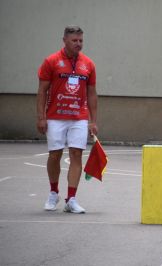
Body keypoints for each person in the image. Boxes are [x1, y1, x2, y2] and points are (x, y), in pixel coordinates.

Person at [36, 25, 98, 213]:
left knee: (76, 154)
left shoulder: (88, 64)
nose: (78, 44)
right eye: (74, 40)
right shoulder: (51, 61)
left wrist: (93, 121)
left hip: (79, 117)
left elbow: (92, 94)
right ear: (64, 40)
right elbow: (42, 91)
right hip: (55, 117)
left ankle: (71, 199)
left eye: (81, 40)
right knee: (55, 155)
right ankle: (53, 192)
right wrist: (41, 117)